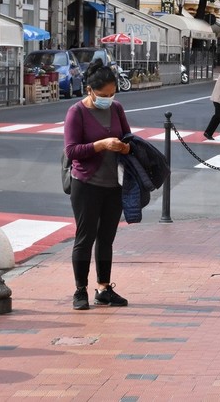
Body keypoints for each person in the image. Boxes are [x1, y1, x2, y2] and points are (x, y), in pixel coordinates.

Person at [64, 59, 132, 311]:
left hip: (114, 183)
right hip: (86, 183)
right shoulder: (76, 112)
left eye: (113, 94)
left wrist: (125, 147)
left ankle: (104, 288)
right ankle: (80, 290)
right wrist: (100, 145)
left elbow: (128, 138)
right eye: (104, 95)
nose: (109, 99)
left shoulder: (116, 108)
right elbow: (71, 151)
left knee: (106, 238)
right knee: (85, 237)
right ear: (90, 90)